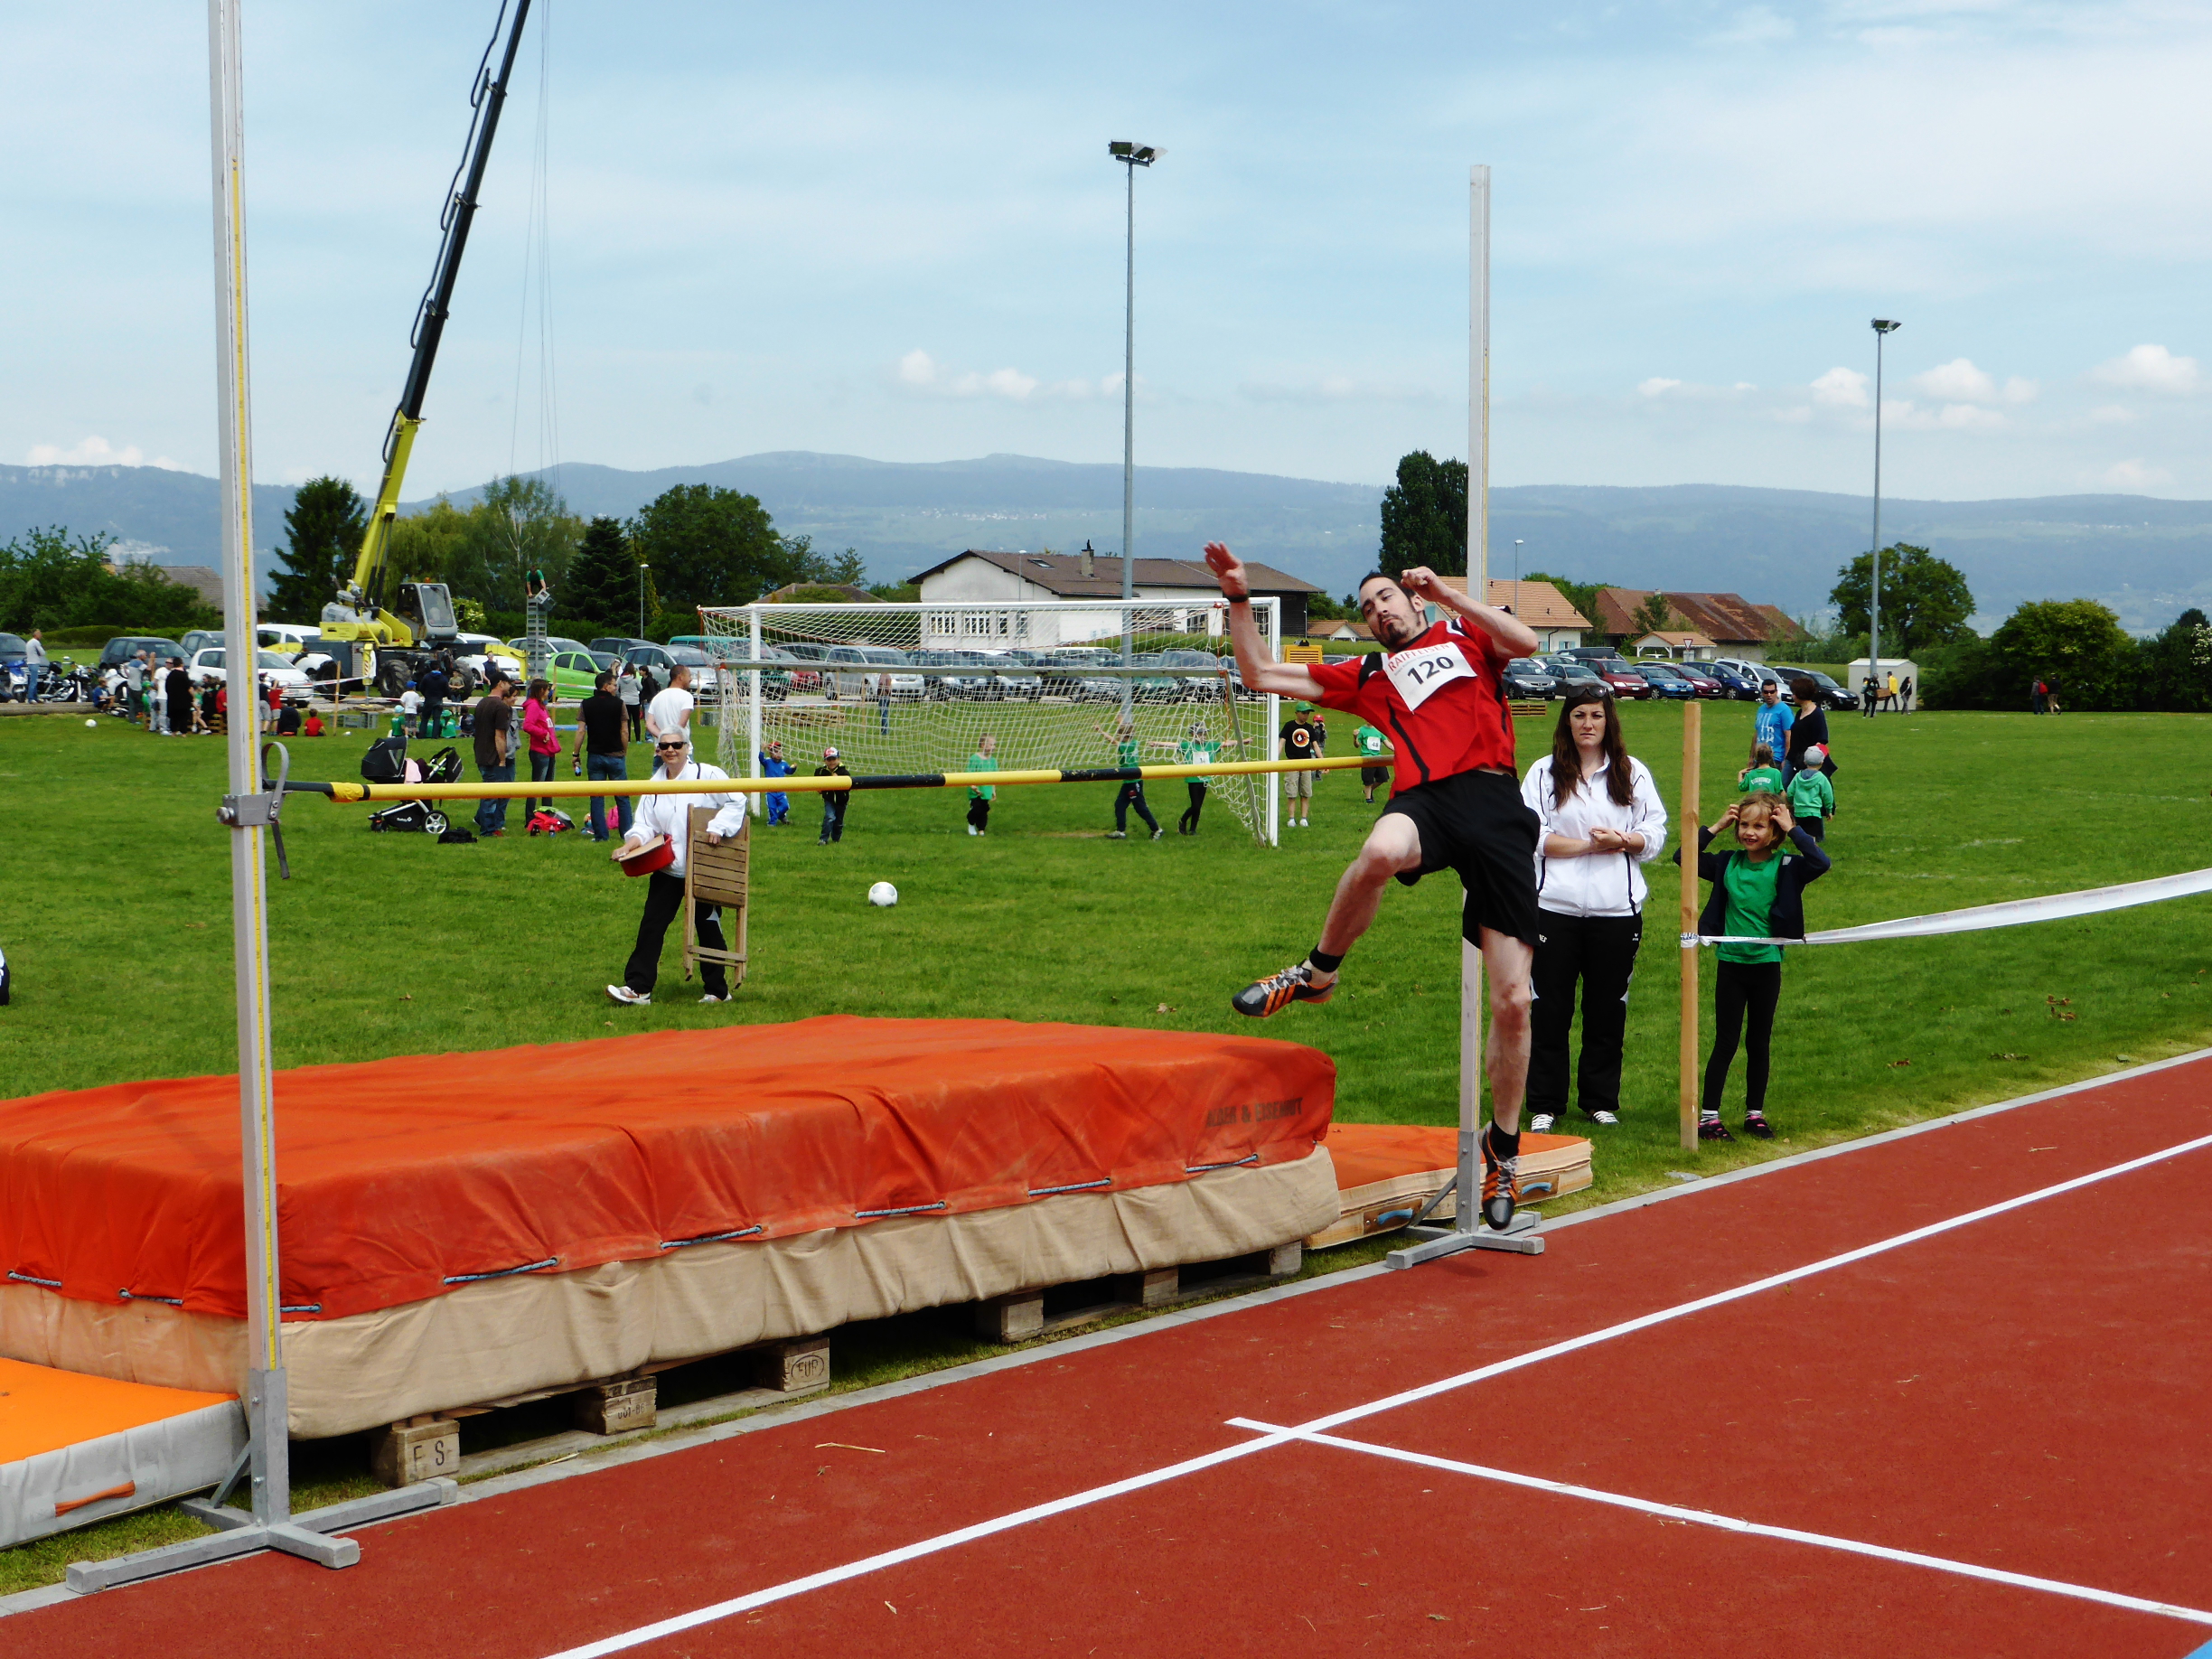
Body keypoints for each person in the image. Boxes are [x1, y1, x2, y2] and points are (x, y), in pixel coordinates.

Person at [1206, 542, 1542, 1227]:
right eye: (1366, 608)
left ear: (1414, 600)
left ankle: (1502, 1150)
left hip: (1495, 805)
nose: (1377, 611)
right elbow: (1260, 673)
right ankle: (1317, 973)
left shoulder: (1466, 635)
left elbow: (1527, 641)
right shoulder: (1367, 673)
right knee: (1381, 849)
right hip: (1427, 800)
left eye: (1385, 597)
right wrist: (1239, 597)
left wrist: (1448, 595)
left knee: (1513, 1002)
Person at [1520, 686, 1668, 1134]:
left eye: (1596, 716)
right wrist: (1589, 846)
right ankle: (1545, 1103)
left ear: (1609, 722)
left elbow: (1654, 834)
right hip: (1554, 909)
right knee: (1549, 1010)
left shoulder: (1631, 772)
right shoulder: (1544, 773)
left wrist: (1622, 840)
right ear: (1567, 721)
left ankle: (1599, 1101)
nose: (1588, 724)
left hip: (1616, 912)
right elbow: (1531, 836)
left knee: (1607, 1011)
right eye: (1580, 715)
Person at [1695, 792, 1831, 1140]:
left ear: (1774, 832)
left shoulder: (1787, 866)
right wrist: (1716, 827)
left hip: (1766, 965)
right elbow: (1685, 857)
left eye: (1759, 826)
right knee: (1726, 1042)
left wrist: (1794, 828)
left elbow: (1820, 862)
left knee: (1759, 1042)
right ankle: (1708, 1118)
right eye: (1744, 825)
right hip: (1731, 965)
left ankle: (1754, 1113)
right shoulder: (1727, 863)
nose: (1749, 832)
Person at [606, 732, 747, 1007]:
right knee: (652, 925)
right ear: (658, 750)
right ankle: (638, 988)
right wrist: (629, 845)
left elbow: (736, 800)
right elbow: (646, 825)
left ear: (687, 747)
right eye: (664, 745)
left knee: (708, 926)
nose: (670, 749)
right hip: (668, 868)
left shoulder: (707, 774)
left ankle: (718, 991)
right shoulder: (655, 785)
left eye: (676, 745)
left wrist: (718, 827)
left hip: (703, 865)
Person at [573, 670, 633, 842]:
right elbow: (624, 731)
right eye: (614, 685)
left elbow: (580, 731)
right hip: (616, 755)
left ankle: (601, 835)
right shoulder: (619, 704)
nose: (616, 688)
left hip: (595, 755)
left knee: (597, 797)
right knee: (622, 797)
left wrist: (575, 753)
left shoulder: (586, 704)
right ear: (606, 686)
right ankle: (626, 833)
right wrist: (624, 750)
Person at [473, 673, 517, 838]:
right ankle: (488, 830)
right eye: (508, 683)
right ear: (500, 683)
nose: (509, 686)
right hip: (493, 756)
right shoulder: (500, 706)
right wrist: (502, 759)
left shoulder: (482, 702)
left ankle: (483, 822)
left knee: (488, 792)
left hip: (480, 753)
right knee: (491, 795)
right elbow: (500, 736)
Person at [1103, 715, 1161, 840]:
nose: (1118, 736)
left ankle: (1156, 829)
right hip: (1128, 781)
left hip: (1133, 782)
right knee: (1120, 805)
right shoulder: (1134, 742)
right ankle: (1120, 831)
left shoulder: (1126, 747)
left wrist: (1101, 731)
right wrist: (1120, 722)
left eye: (1120, 735)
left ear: (1125, 737)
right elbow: (1127, 732)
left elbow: (1113, 742)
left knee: (1140, 808)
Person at [521, 678, 559, 825]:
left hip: (549, 750)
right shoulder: (533, 706)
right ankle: (530, 818)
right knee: (537, 786)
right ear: (541, 690)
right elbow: (528, 725)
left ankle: (547, 816)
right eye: (547, 689)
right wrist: (543, 734)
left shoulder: (541, 706)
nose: (549, 692)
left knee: (548, 786)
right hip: (540, 751)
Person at [1280, 703, 1323, 829]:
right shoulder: (1289, 726)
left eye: (1308, 713)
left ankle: (1304, 818)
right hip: (1292, 763)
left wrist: (1322, 762)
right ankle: (1291, 818)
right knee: (1291, 792)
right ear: (1297, 713)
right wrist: (1274, 757)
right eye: (1304, 713)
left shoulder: (1309, 728)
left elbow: (1315, 746)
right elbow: (1281, 742)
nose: (1306, 716)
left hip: (1306, 763)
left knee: (1306, 792)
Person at [1783, 679, 1829, 785]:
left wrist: (1810, 762)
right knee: (1784, 787)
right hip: (1792, 758)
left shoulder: (1817, 714)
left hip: (1806, 763)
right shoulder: (1800, 712)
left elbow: (1822, 741)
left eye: (1794, 693)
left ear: (1800, 694)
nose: (1792, 696)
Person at [1785, 744, 1834, 840]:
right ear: (1821, 762)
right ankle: (1810, 849)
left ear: (1804, 761)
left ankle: (1802, 848)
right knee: (1812, 837)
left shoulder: (1798, 776)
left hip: (1799, 812)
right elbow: (1828, 795)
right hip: (1814, 813)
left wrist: (1791, 802)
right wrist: (1829, 810)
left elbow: (1790, 792)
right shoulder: (1821, 778)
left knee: (1801, 836)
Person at [1176, 720, 1216, 834]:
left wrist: (1243, 741)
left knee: (1198, 806)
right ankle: (1183, 820)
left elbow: (1225, 744)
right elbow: (1174, 745)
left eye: (1205, 734)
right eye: (1200, 734)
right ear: (1193, 735)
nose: (1203, 737)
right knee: (1196, 806)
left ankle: (1193, 829)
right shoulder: (1187, 746)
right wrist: (1157, 744)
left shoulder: (1210, 745)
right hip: (1193, 780)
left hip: (1205, 780)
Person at [645, 663, 692, 745]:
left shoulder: (657, 697)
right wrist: (672, 740)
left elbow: (649, 724)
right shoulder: (686, 696)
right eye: (689, 676)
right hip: (680, 746)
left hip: (662, 747)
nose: (690, 679)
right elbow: (682, 723)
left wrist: (663, 738)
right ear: (680, 677)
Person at [815, 745, 849, 844]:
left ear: (838, 759)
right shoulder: (822, 771)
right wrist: (819, 788)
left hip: (841, 800)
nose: (831, 762)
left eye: (833, 759)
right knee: (830, 817)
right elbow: (816, 779)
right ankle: (823, 838)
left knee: (838, 822)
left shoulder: (843, 772)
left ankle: (836, 839)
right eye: (829, 760)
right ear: (825, 761)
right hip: (829, 799)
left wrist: (838, 780)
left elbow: (848, 785)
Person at [1753, 678, 1793, 763]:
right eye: (1766, 692)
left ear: (1776, 692)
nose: (1769, 695)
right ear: (1762, 693)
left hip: (1775, 759)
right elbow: (1757, 734)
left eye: (1772, 692)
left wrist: (1786, 760)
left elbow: (1789, 736)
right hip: (1759, 759)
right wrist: (1751, 757)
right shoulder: (1761, 709)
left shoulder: (1784, 710)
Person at [966, 732, 998, 835]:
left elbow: (995, 777)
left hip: (986, 790)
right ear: (983, 745)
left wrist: (993, 790)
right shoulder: (974, 758)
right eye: (991, 744)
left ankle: (981, 829)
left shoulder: (993, 761)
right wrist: (973, 786)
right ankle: (971, 823)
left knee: (984, 809)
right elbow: (969, 773)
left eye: (994, 745)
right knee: (977, 808)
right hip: (975, 791)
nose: (994, 747)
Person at [757, 737, 792, 827]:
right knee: (772, 807)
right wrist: (762, 749)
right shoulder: (768, 762)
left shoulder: (784, 763)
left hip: (781, 790)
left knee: (785, 806)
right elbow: (761, 759)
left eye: (780, 751)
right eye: (776, 751)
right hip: (770, 791)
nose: (778, 753)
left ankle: (780, 816)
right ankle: (772, 823)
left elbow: (789, 771)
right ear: (771, 753)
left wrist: (793, 768)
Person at [1354, 719, 1391, 803]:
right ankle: (1368, 799)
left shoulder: (1379, 730)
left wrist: (1397, 750)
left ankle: (1368, 791)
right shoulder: (1361, 730)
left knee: (1383, 778)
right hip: (1367, 758)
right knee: (1368, 781)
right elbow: (1357, 745)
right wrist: (1355, 737)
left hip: (1378, 758)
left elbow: (1388, 743)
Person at [419, 659, 449, 737]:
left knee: (425, 719)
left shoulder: (426, 677)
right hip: (438, 700)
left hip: (428, 700)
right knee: (436, 719)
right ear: (438, 667)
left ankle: (421, 735)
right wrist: (442, 695)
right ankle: (435, 735)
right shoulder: (443, 678)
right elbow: (447, 690)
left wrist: (426, 694)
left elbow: (421, 688)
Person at [164, 658, 192, 737]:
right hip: (184, 699)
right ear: (181, 664)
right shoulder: (183, 674)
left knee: (174, 717)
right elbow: (189, 687)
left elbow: (167, 688)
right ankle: (183, 733)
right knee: (183, 716)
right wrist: (193, 696)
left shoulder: (171, 675)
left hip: (173, 699)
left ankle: (173, 732)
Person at [617, 661, 643, 740]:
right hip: (634, 701)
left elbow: (616, 690)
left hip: (624, 701)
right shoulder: (635, 679)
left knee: (627, 721)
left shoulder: (620, 679)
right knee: (636, 721)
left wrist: (620, 696)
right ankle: (638, 739)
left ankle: (627, 739)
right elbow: (640, 688)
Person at [23, 629, 46, 698]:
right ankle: (31, 698)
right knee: (33, 682)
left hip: (29, 663)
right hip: (35, 663)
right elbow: (42, 653)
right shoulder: (36, 642)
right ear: (36, 635)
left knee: (33, 681)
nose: (41, 635)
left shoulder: (29, 642)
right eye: (40, 634)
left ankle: (35, 697)